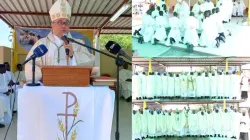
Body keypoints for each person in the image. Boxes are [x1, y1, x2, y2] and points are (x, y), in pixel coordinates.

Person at [25, 0, 95, 82]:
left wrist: (73, 56)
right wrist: (47, 76)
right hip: (48, 87)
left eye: (66, 22)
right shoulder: (41, 43)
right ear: (52, 25)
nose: (64, 26)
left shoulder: (78, 43)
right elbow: (30, 64)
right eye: (60, 22)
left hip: (72, 86)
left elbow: (90, 63)